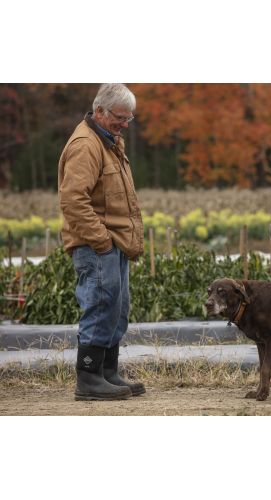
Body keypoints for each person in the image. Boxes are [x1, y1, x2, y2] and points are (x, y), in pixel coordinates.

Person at [58, 83, 145, 401]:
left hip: (112, 243)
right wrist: (102, 241)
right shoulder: (86, 144)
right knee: (100, 306)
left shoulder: (109, 141)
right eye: (120, 118)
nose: (124, 124)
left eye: (129, 119)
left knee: (117, 310)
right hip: (97, 246)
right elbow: (72, 199)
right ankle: (89, 378)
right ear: (99, 111)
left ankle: (108, 373)